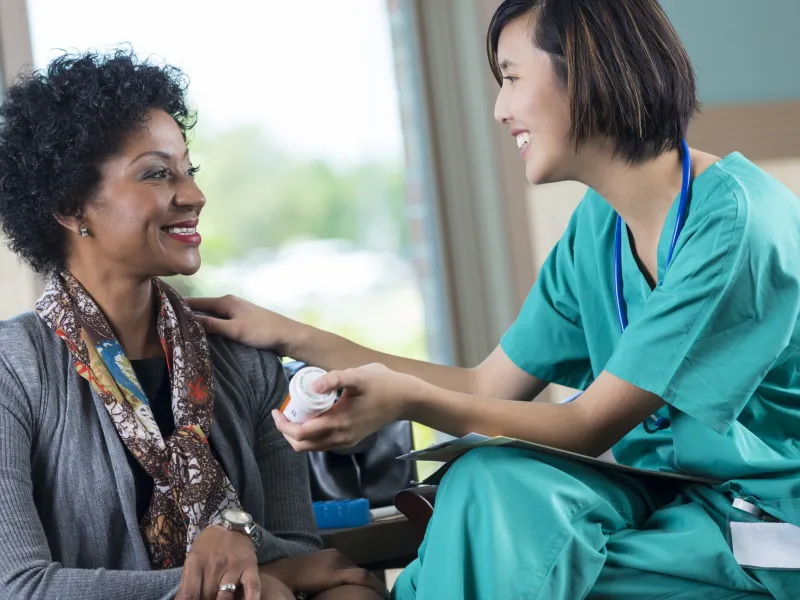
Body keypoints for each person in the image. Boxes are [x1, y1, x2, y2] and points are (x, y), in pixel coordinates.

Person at [189, 1, 800, 599]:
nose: (500, 108)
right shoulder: (599, 229)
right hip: (679, 503)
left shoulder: (734, 224)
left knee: (501, 543)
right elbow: (485, 388)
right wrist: (290, 335)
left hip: (765, 531)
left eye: (511, 78)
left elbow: (587, 426)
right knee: (488, 480)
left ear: (587, 73)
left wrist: (405, 400)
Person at [0, 50, 386, 600]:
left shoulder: (245, 361)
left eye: (189, 170)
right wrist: (219, 587)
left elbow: (303, 554)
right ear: (69, 205)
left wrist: (239, 537)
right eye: (157, 173)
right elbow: (19, 588)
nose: (194, 196)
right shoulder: (13, 368)